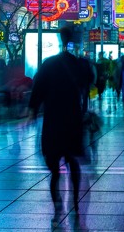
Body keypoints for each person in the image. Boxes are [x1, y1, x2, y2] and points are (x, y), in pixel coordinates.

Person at [28, 25, 93, 222]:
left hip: (53, 121)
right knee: (74, 164)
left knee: (54, 169)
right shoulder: (79, 64)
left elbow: (37, 89)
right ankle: (74, 203)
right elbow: (90, 83)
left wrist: (32, 110)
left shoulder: (49, 64)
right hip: (72, 120)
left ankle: (58, 206)